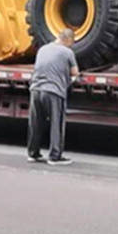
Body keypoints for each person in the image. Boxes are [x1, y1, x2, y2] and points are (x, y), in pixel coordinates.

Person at [27, 28, 79, 165]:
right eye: (72, 42)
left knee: (35, 123)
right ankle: (54, 156)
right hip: (53, 91)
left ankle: (33, 153)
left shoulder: (42, 49)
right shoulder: (67, 52)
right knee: (57, 124)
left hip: (36, 89)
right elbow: (75, 73)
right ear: (68, 40)